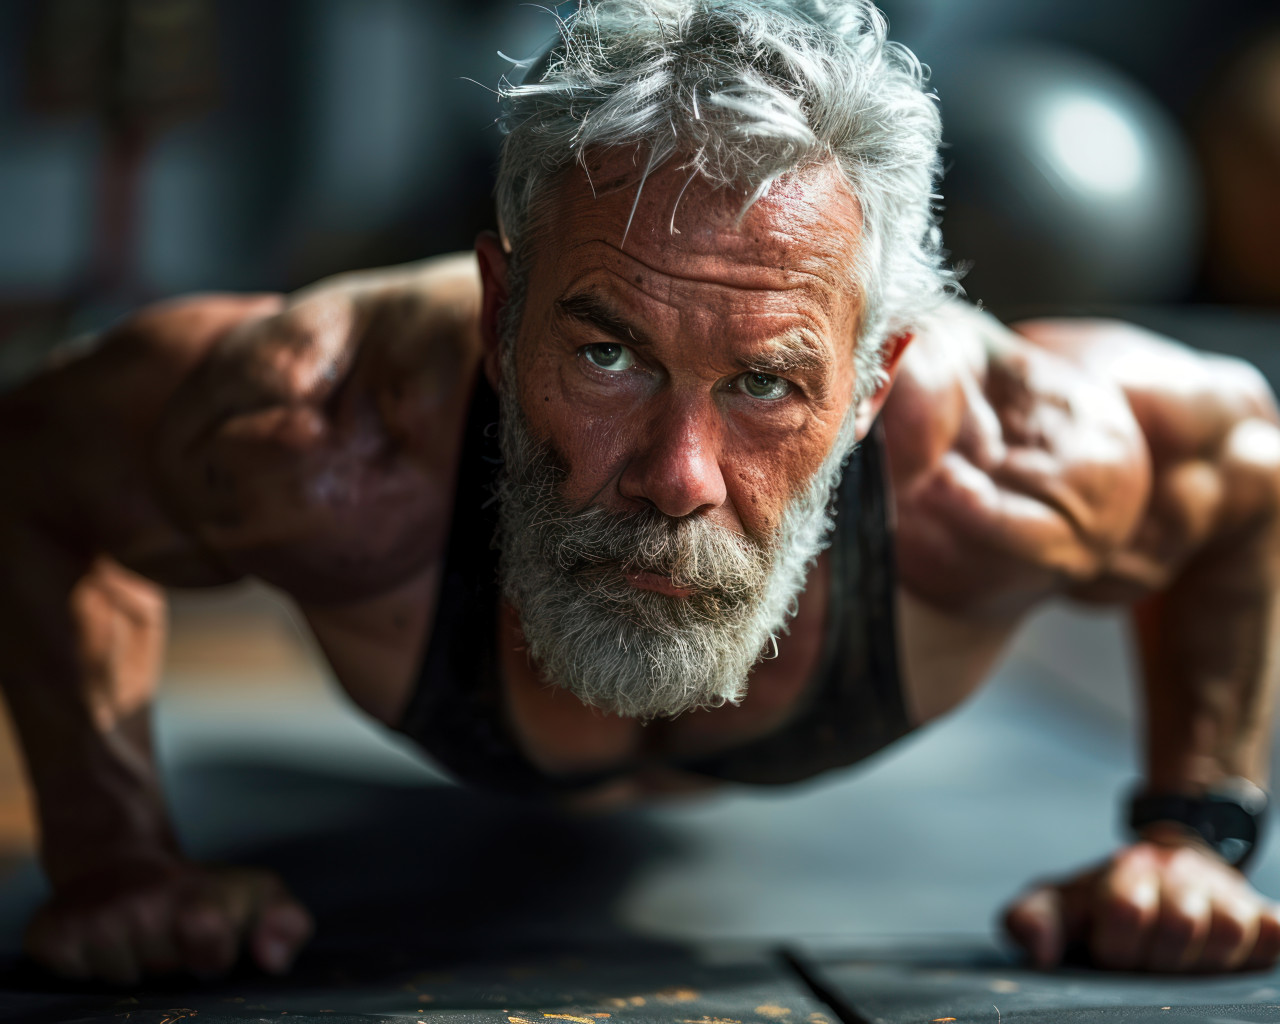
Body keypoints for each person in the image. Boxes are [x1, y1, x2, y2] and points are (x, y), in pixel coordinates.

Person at [3, 0, 1280, 987]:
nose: (675, 477)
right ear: (502, 315)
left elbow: (1244, 467)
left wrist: (1188, 830)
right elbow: (34, 469)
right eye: (604, 356)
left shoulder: (1001, 465)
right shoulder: (324, 436)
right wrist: (114, 854)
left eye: (767, 385)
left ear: (878, 380)